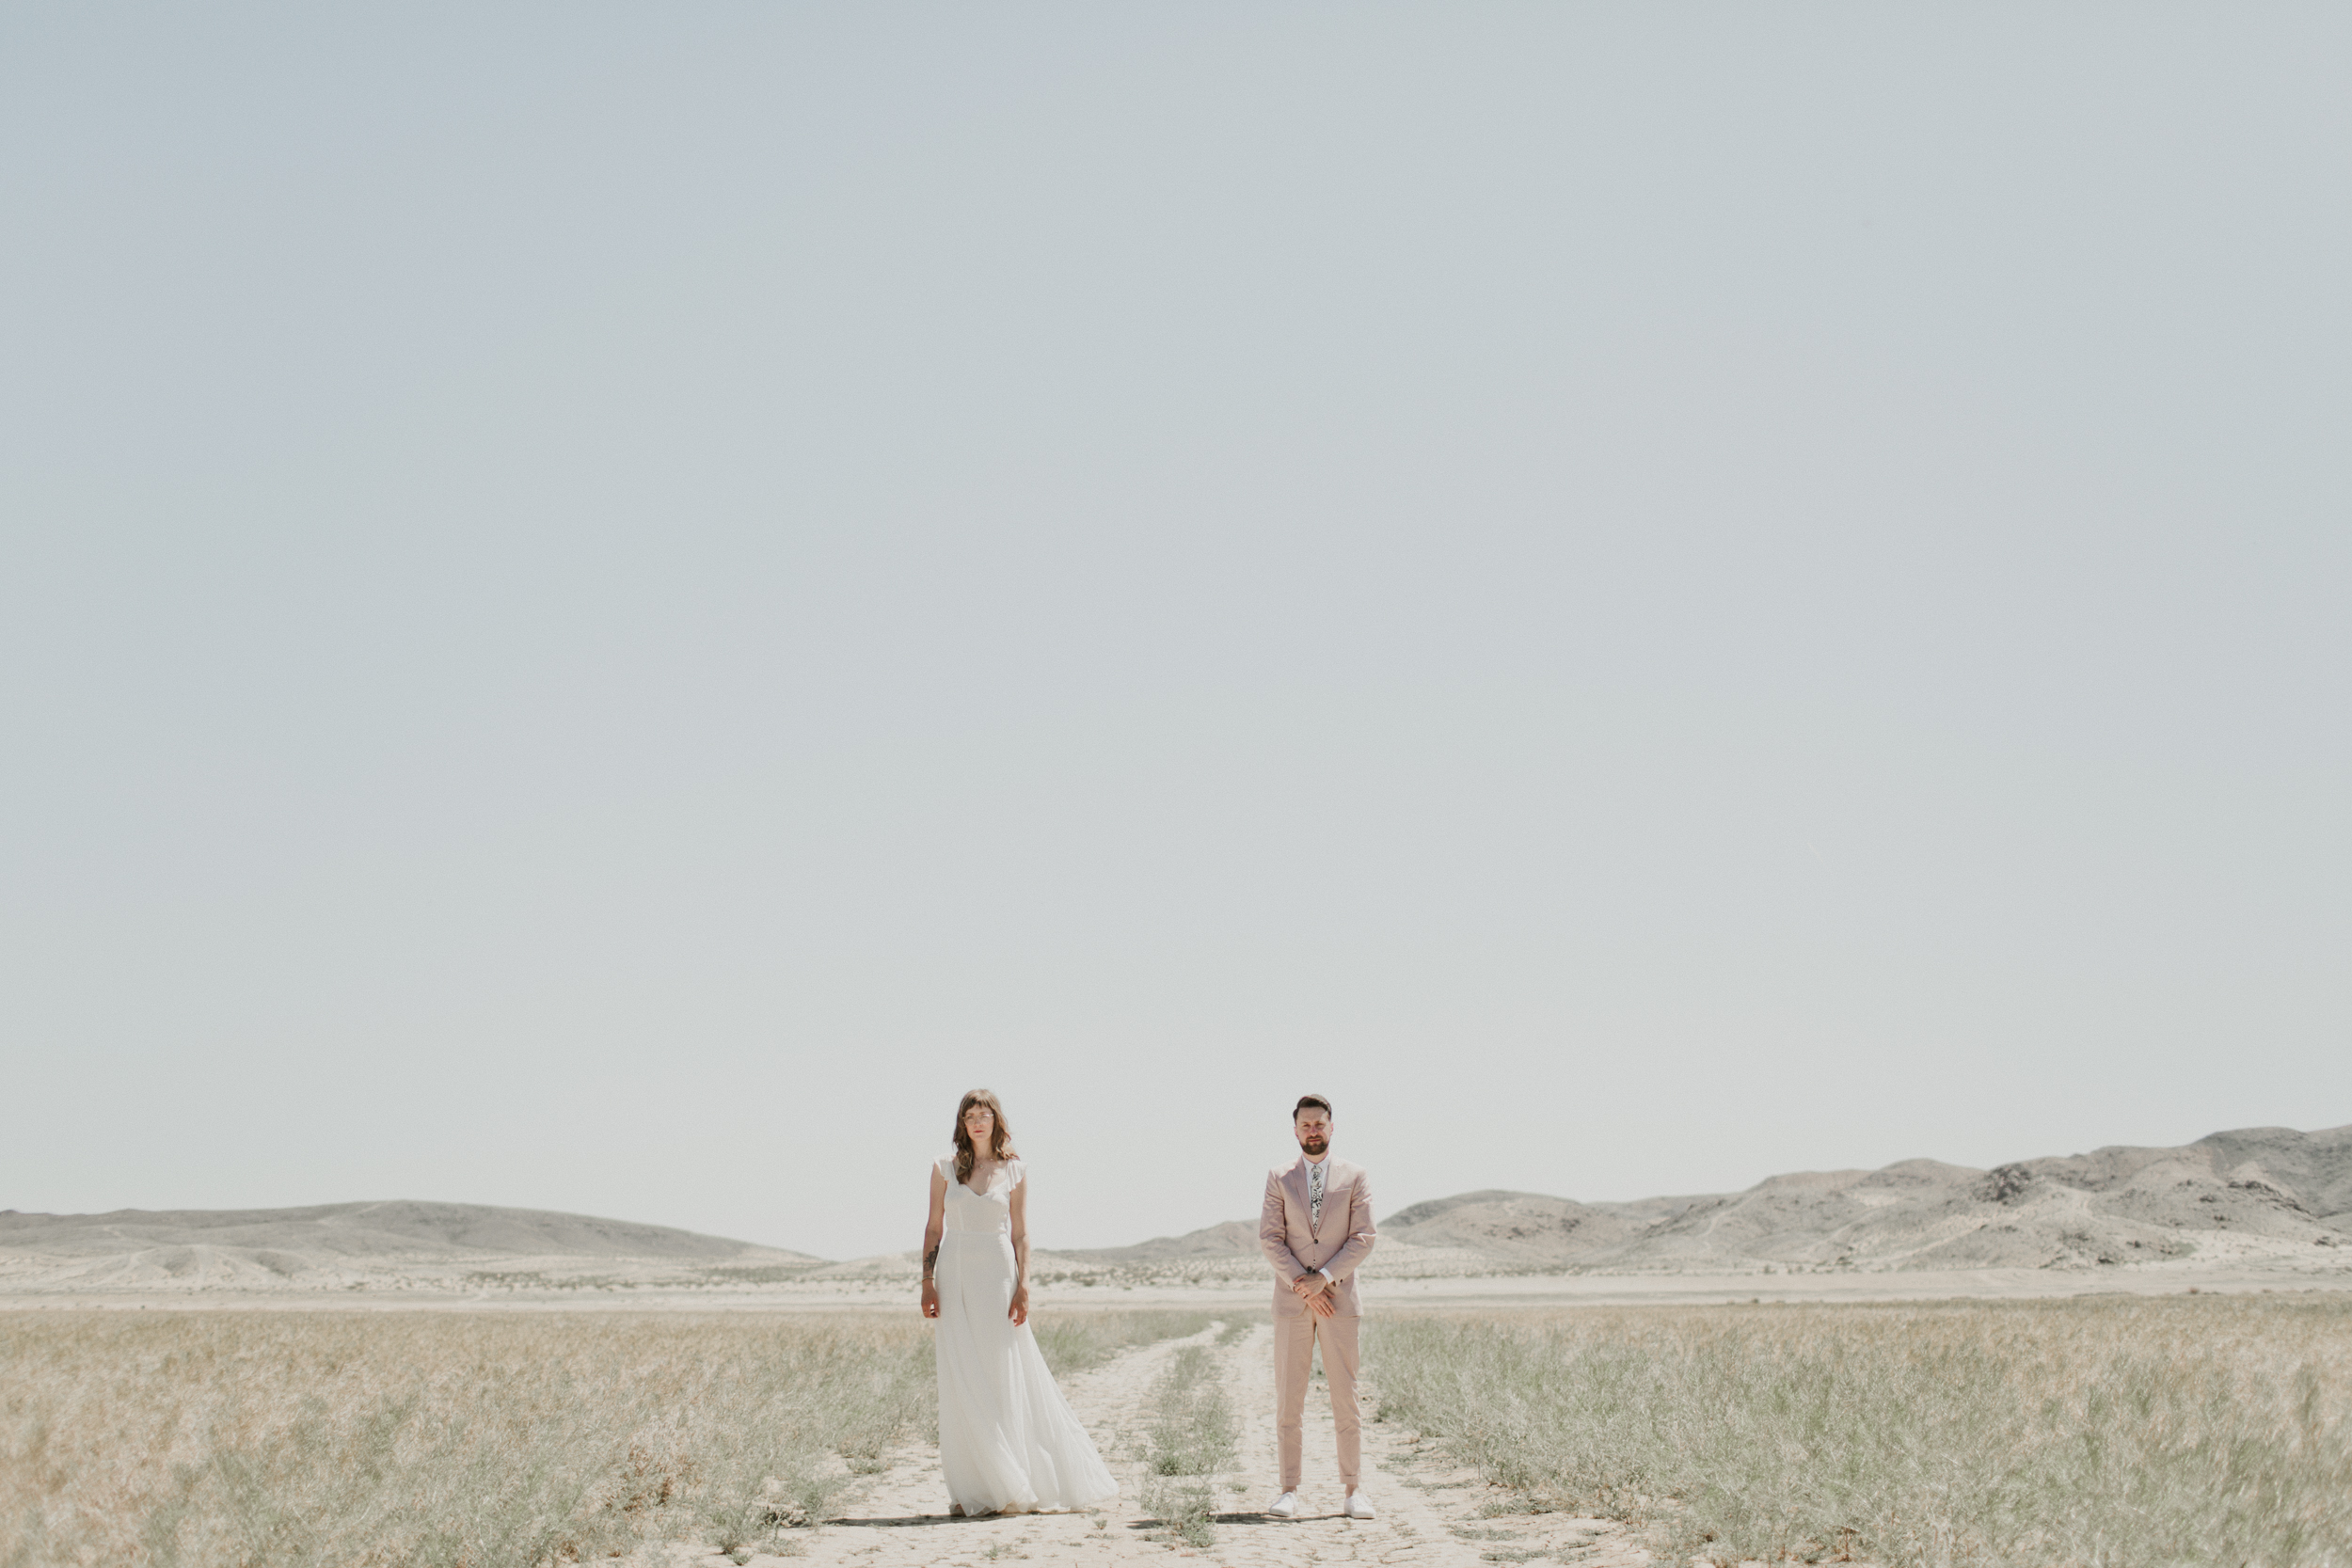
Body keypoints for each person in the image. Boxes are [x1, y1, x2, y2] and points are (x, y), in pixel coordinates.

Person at [919, 1088, 1118, 1517]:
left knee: (1002, 1372)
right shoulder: (943, 1169)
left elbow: (1021, 1234)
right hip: (953, 1277)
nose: (976, 1121)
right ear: (962, 1123)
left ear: (995, 1121)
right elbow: (934, 1228)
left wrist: (1024, 1285)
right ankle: (972, 1487)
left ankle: (1011, 1482)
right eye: (969, 1115)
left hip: (997, 1275)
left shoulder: (1015, 1171)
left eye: (984, 1114)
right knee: (960, 1374)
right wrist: (927, 1281)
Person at [1259, 1093, 1377, 1521]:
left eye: (1319, 1124)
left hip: (1339, 1301)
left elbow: (1363, 1237)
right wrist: (1302, 1284)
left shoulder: (1355, 1176)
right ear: (1295, 1130)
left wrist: (1324, 1279)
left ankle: (1353, 1491)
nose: (1313, 1131)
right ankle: (1288, 1490)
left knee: (1346, 1397)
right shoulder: (1278, 1177)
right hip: (1292, 1303)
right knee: (1290, 1398)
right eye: (1305, 1124)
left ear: (1331, 1127)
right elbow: (1270, 1238)